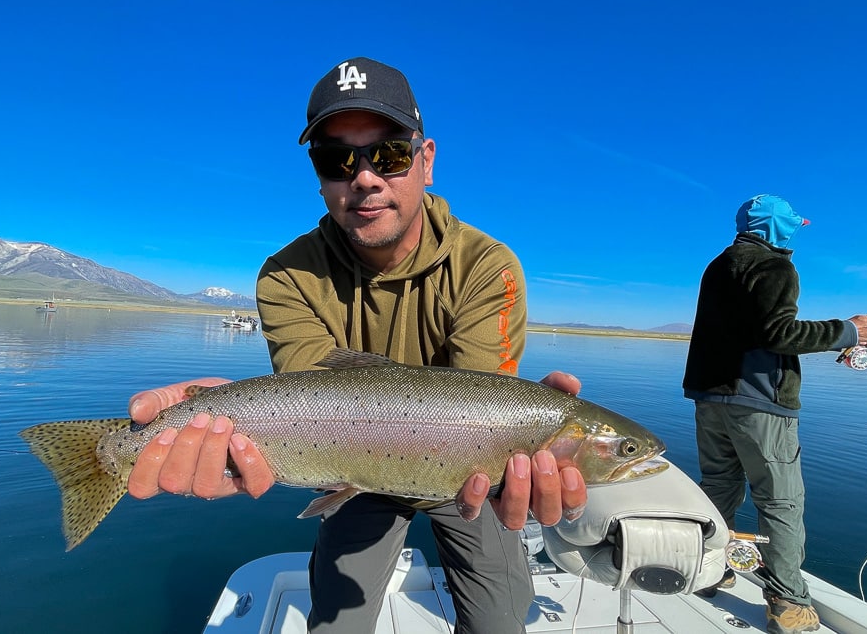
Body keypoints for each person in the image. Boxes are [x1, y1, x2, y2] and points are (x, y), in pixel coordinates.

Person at [125, 56, 589, 634]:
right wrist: (218, 416)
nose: (364, 177)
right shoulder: (287, 275)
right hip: (354, 466)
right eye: (337, 158)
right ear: (320, 177)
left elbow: (482, 408)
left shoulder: (487, 267)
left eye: (389, 154)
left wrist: (522, 438)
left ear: (427, 161)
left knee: (499, 622)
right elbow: (307, 401)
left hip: (469, 470)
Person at [681, 194, 867, 634]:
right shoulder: (776, 267)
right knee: (781, 502)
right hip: (759, 404)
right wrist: (851, 330)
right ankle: (787, 601)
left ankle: (708, 570)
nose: (796, 231)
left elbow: (750, 331)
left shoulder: (717, 266)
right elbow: (779, 333)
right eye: (793, 225)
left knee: (718, 487)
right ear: (777, 228)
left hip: (710, 399)